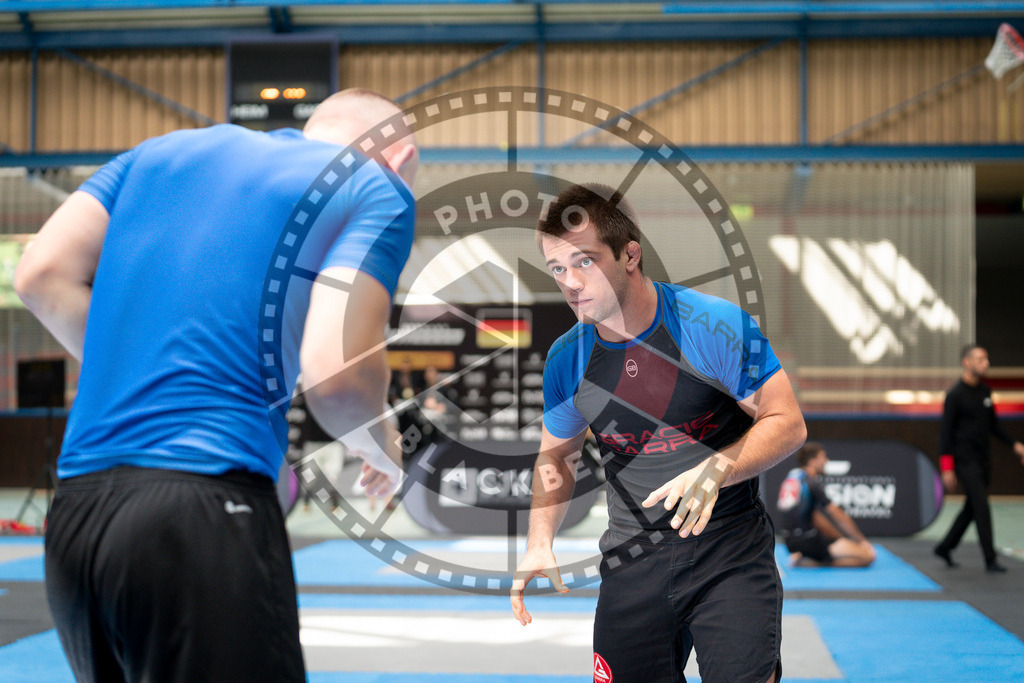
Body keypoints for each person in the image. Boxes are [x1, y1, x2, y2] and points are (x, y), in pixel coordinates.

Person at [14, 88, 418, 681]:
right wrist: (379, 444)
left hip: (78, 513)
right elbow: (335, 375)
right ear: (402, 158)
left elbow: (39, 275)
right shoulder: (371, 183)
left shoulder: (155, 154)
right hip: (204, 510)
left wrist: (135, 366)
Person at [511, 184, 806, 683]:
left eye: (584, 262)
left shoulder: (711, 327)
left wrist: (720, 466)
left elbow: (787, 422)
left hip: (728, 555)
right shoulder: (568, 358)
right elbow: (556, 457)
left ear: (630, 254)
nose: (569, 282)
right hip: (632, 564)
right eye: (557, 268)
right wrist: (539, 540)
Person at [934, 344, 1024, 573]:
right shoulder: (955, 396)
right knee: (981, 506)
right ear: (967, 362)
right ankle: (990, 558)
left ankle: (945, 547)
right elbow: (945, 434)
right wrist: (947, 468)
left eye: (986, 359)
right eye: (981, 359)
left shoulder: (984, 392)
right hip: (964, 461)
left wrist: (1015, 445)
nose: (986, 363)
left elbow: (993, 425)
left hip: (983, 459)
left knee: (971, 508)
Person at [777, 442, 876, 567]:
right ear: (813, 461)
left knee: (836, 542)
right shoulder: (812, 482)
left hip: (790, 541)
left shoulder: (792, 477)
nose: (826, 461)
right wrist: (861, 541)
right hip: (809, 540)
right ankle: (811, 562)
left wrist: (839, 539)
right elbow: (839, 516)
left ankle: (805, 556)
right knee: (868, 556)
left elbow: (815, 517)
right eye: (823, 457)